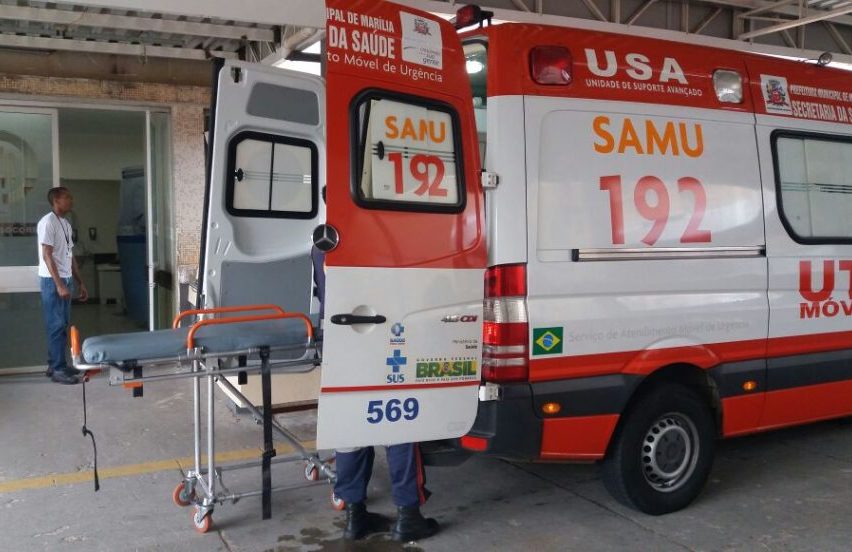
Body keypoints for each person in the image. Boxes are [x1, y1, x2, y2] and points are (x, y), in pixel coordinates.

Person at [310, 214, 439, 542]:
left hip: (339, 343)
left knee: (351, 427)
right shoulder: (380, 240)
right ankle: (408, 514)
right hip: (386, 340)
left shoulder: (321, 243)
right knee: (400, 425)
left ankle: (355, 515)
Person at [38, 186, 88, 384]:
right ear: (56, 201)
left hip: (65, 279)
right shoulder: (47, 222)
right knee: (56, 325)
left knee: (62, 325)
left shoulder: (65, 224)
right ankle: (58, 370)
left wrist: (80, 282)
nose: (71, 201)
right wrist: (59, 285)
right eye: (67, 198)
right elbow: (47, 255)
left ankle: (56, 365)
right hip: (52, 281)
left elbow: (69, 256)